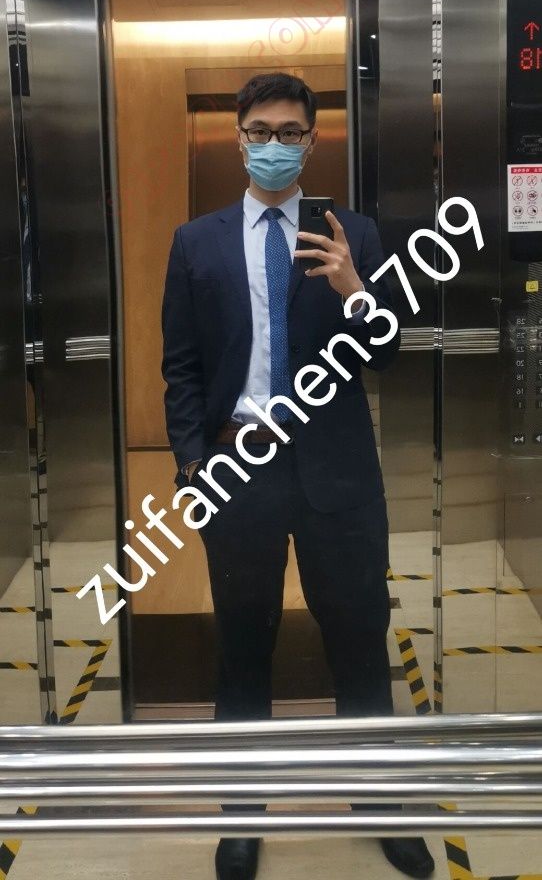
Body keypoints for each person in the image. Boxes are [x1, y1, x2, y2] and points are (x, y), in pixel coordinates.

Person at [161, 72, 434, 880]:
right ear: (239, 138)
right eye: (260, 131)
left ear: (312, 142)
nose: (274, 145)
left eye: (289, 132)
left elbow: (386, 352)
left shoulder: (356, 234)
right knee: (243, 648)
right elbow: (182, 367)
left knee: (359, 642)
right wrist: (191, 463)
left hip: (338, 471)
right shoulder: (197, 242)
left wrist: (355, 288)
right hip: (238, 469)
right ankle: (242, 819)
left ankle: (381, 809)